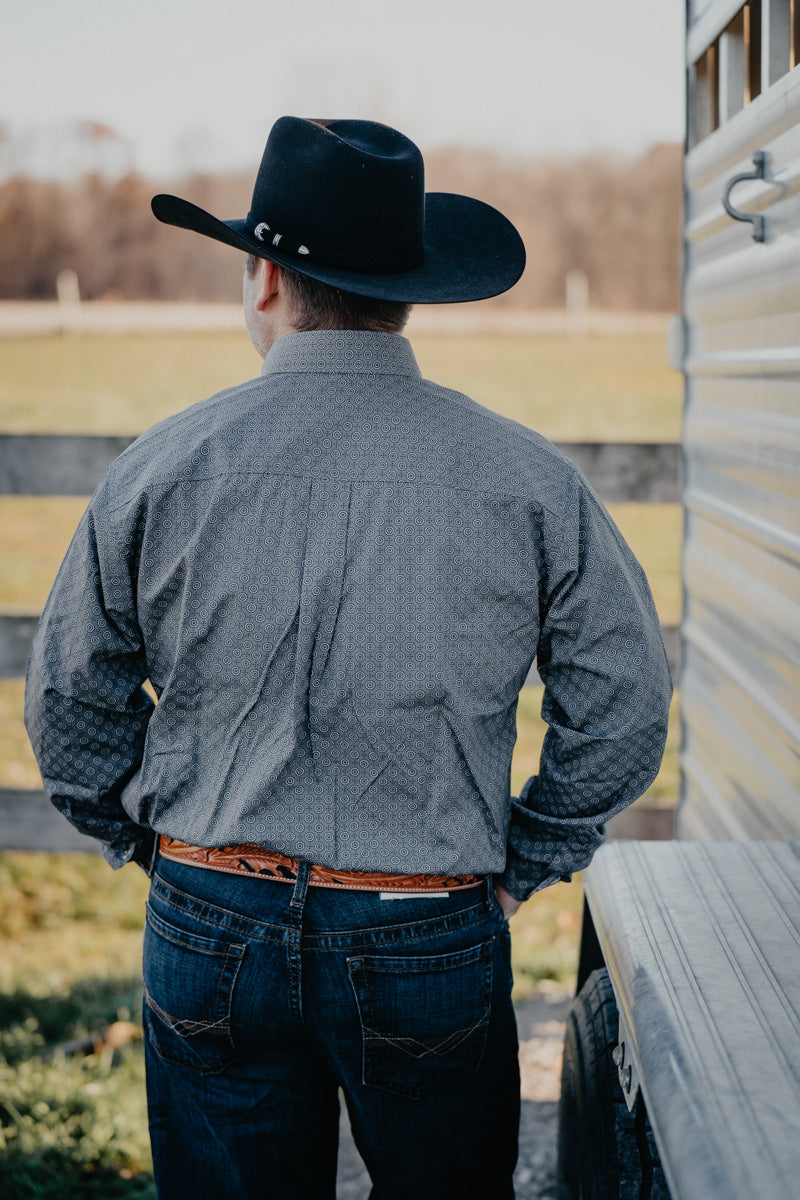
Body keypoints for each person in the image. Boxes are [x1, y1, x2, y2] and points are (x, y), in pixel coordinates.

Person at [25, 116, 672, 1199]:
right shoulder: (526, 480)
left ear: (264, 281)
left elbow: (68, 708)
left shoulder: (163, 466)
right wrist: (522, 862)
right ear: (408, 290)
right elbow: (620, 709)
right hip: (426, 924)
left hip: (206, 916)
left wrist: (156, 849)